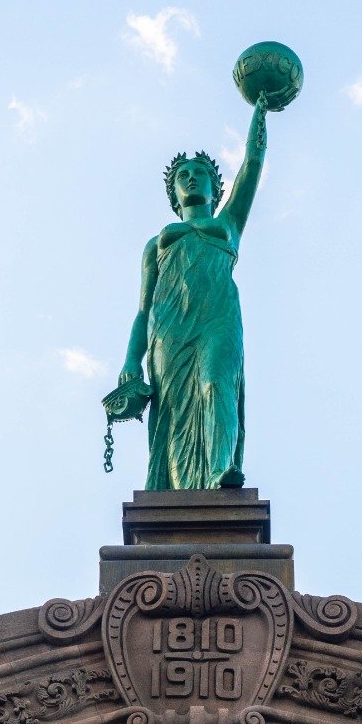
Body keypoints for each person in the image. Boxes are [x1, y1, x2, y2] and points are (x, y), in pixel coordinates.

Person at [118, 98, 269, 490]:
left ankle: (220, 472)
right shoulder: (156, 243)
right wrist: (132, 359)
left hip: (218, 319)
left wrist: (260, 112)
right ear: (173, 193)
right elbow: (143, 310)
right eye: (182, 175)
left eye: (200, 173)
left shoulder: (229, 222)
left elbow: (252, 165)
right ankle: (178, 491)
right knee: (174, 409)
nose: (191, 178)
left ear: (215, 188)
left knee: (217, 382)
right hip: (169, 328)